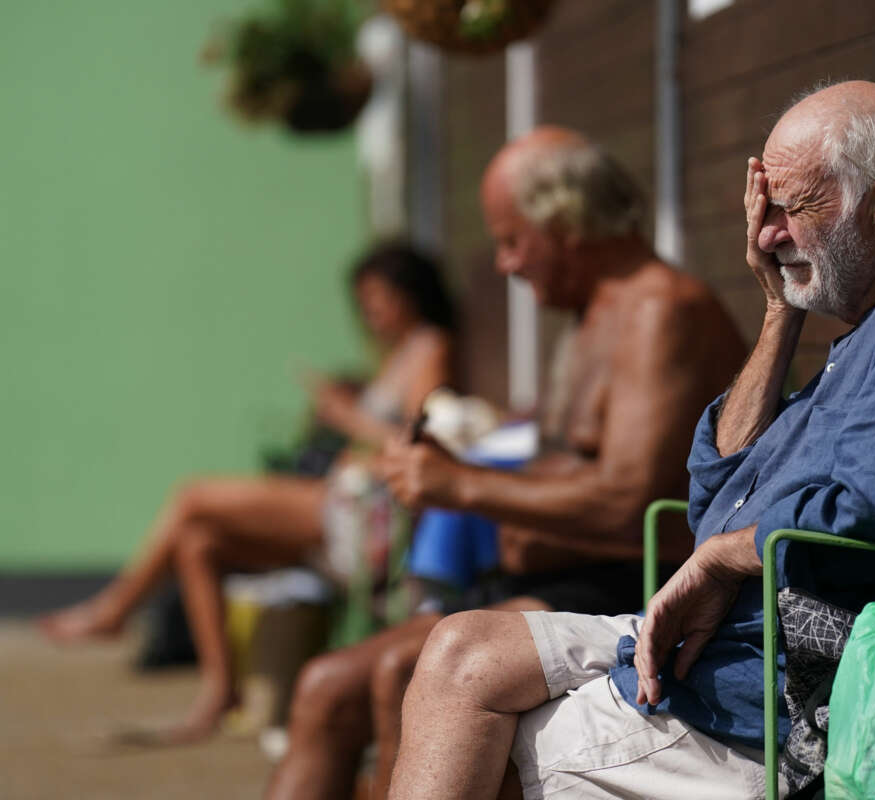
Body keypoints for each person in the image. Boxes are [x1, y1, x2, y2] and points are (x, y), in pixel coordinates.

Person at [384, 80, 875, 800]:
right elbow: (719, 490)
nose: (765, 235)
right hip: (733, 652)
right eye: (766, 212)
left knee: (490, 745)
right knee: (458, 652)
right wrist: (778, 312)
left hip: (808, 692)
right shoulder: (871, 326)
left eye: (790, 209)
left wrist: (726, 557)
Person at [265, 126, 748, 800]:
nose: (504, 264)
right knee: (322, 688)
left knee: (397, 670)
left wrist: (462, 485)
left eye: (512, 239)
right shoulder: (596, 315)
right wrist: (466, 465)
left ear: (567, 222)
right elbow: (573, 464)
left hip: (630, 588)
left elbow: (627, 500)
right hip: (557, 581)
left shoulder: (659, 311)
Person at [37, 241, 456, 743]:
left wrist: (347, 416)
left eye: (379, 297)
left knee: (194, 496)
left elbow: (424, 439)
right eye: (363, 300)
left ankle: (115, 610)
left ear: (412, 293)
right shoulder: (399, 354)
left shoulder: (431, 346)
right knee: (198, 542)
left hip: (365, 519)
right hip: (342, 507)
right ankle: (219, 694)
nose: (370, 311)